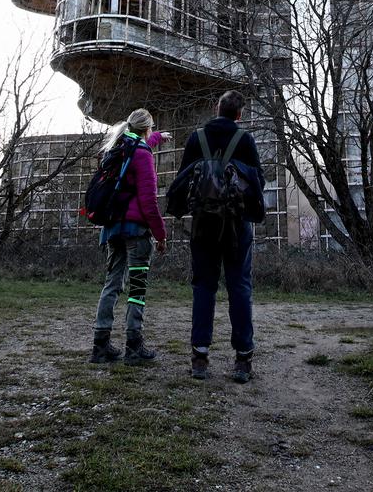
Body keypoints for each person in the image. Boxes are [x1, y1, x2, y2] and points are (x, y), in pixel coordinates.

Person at [176, 89, 263, 383]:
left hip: (202, 225)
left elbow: (181, 180)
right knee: (239, 287)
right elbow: (258, 182)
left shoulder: (196, 138)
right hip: (237, 226)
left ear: (217, 109)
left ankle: (200, 357)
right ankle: (242, 361)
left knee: (204, 287)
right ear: (239, 114)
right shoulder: (246, 140)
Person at [91, 108, 168, 365]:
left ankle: (100, 345)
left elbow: (141, 144)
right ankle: (134, 347)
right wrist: (160, 234)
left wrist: (158, 137)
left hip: (112, 227)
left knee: (111, 284)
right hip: (136, 230)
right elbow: (148, 200)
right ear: (146, 128)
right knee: (137, 288)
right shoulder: (142, 154)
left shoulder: (117, 148)